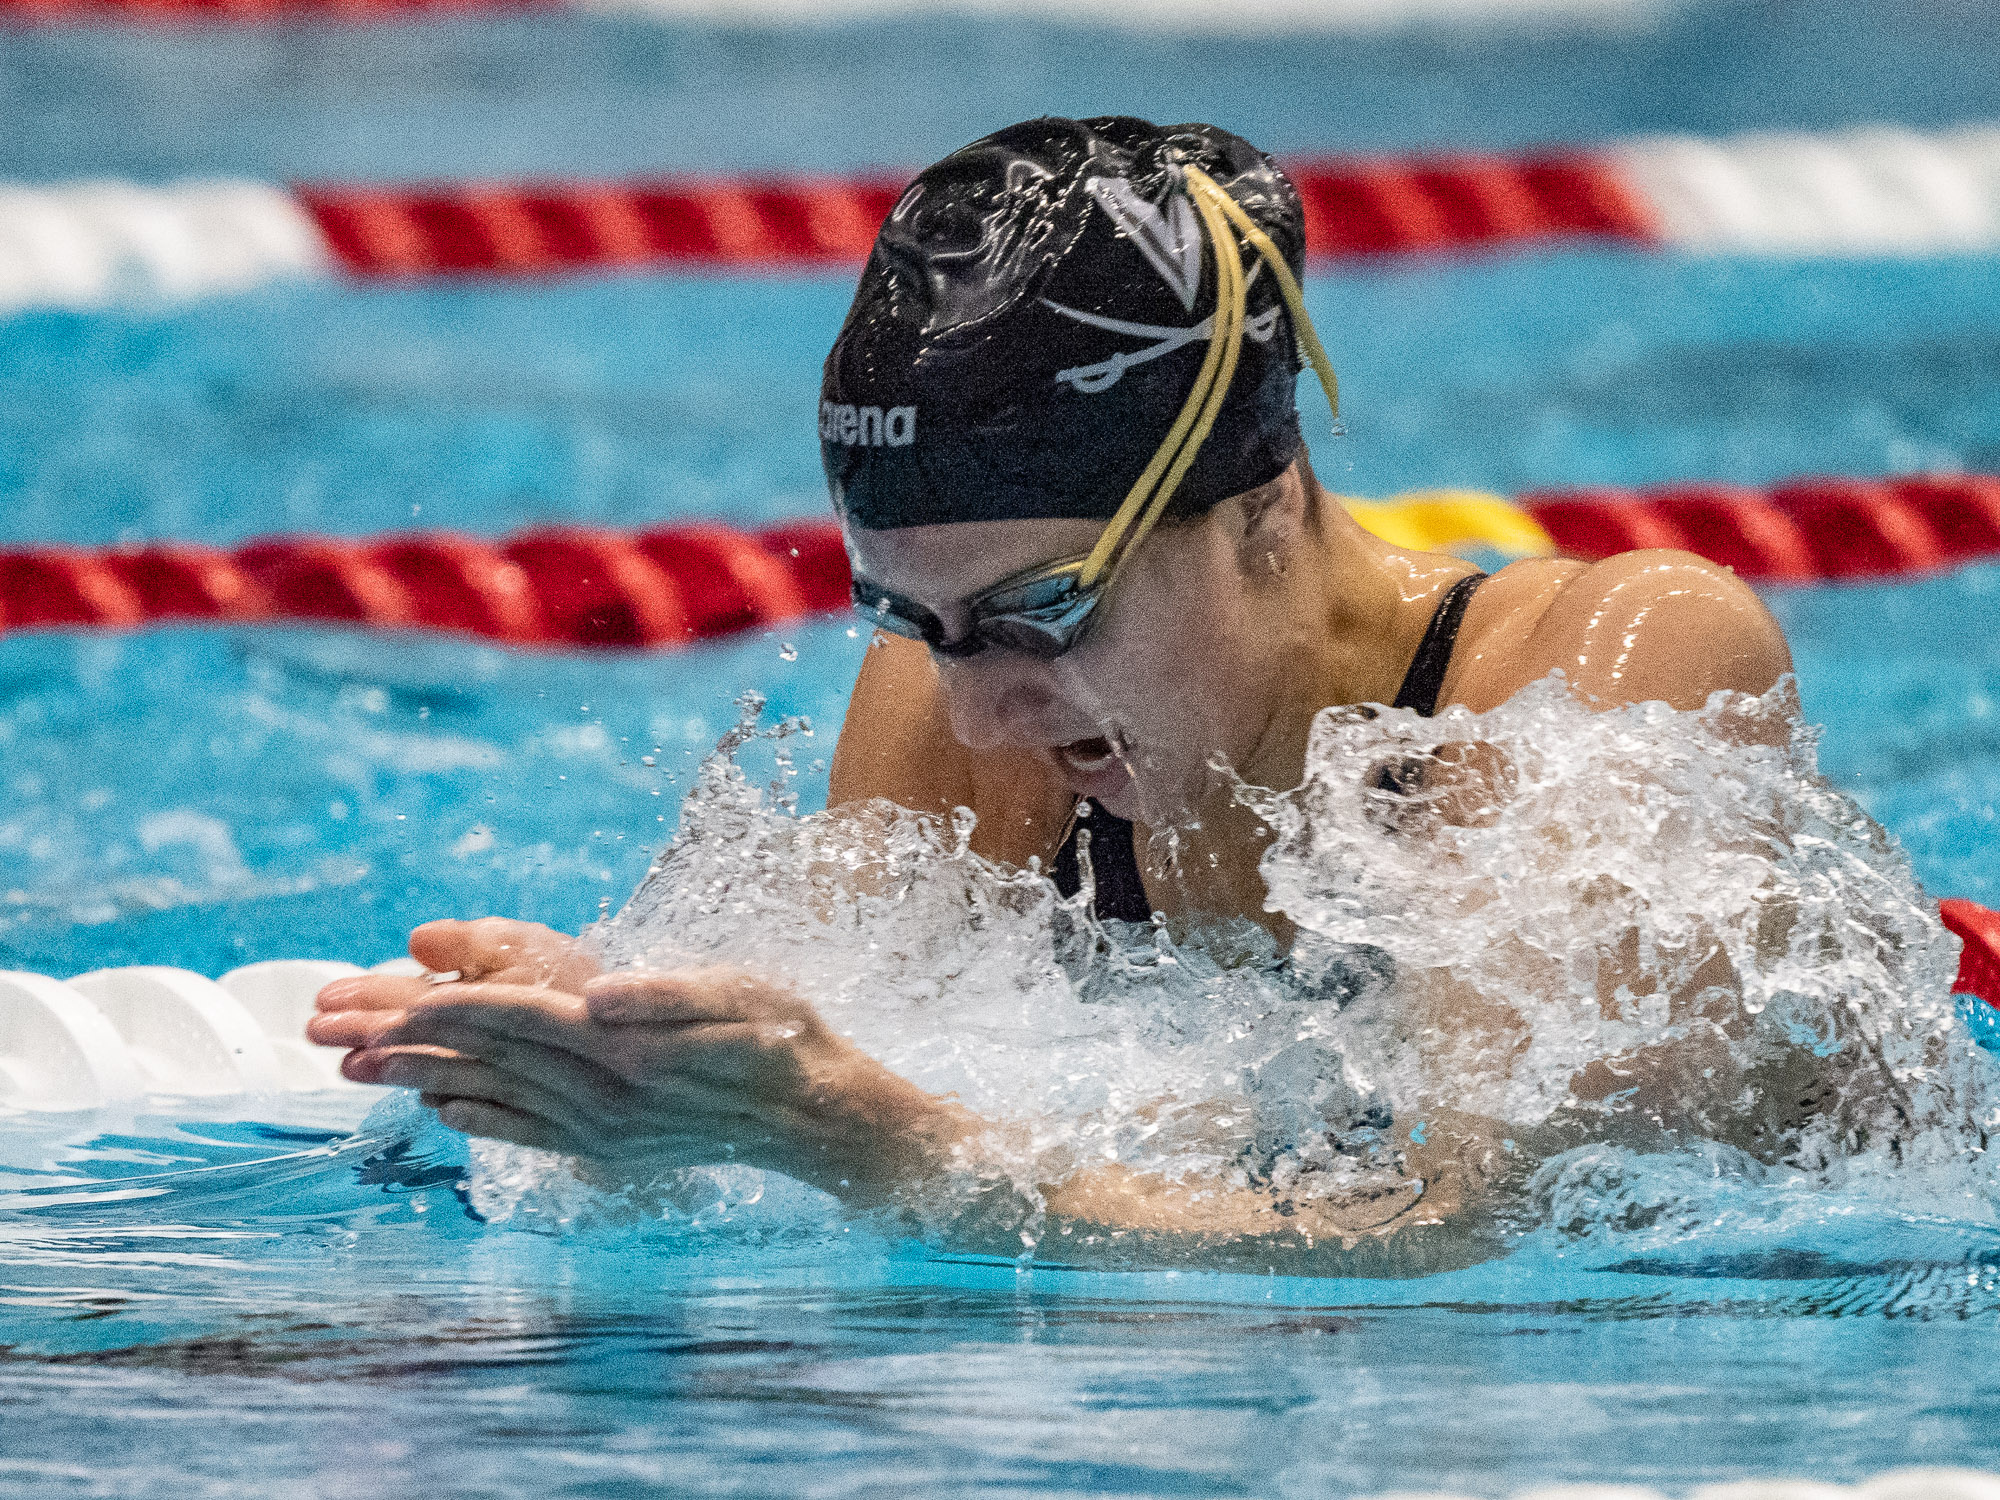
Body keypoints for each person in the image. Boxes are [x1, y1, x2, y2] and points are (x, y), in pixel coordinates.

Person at [309, 117, 1791, 1265]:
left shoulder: (1601, 672)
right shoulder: (958, 703)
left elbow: (1470, 1234)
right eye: (918, 618)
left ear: (1264, 510)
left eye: (1045, 609)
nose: (975, 712)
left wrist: (868, 1141)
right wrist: (637, 1076)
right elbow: (834, 1083)